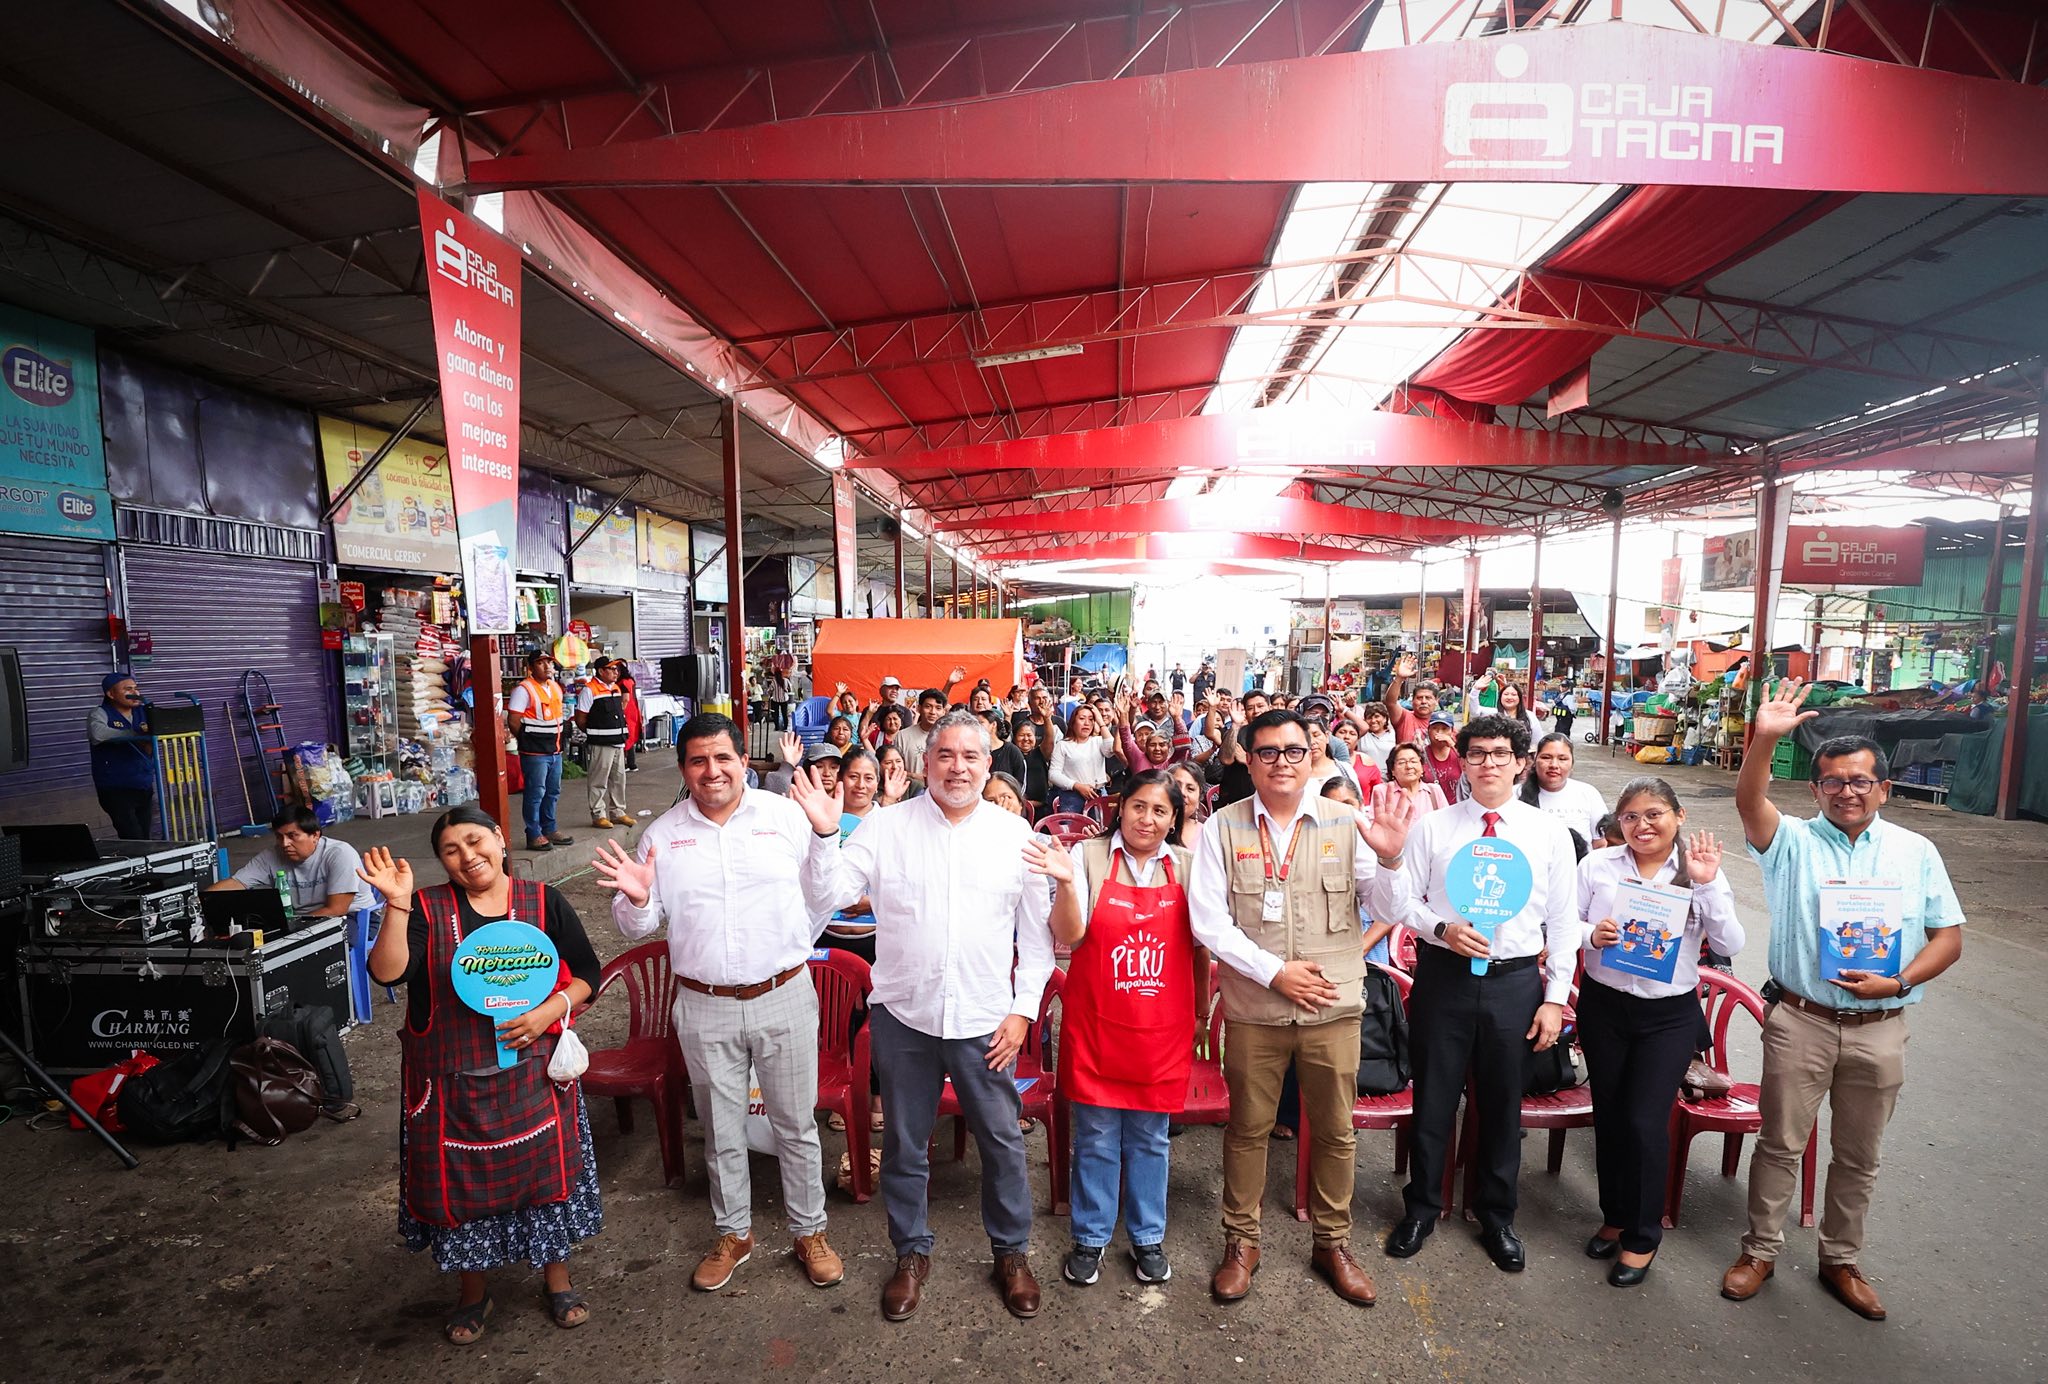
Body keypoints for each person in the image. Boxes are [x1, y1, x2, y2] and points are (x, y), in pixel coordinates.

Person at [792, 710, 1057, 1322]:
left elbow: (1038, 944)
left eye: (971, 756)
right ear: (923, 763)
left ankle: (1011, 1253)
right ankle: (910, 1252)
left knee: (1001, 1142)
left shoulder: (1017, 838)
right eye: (945, 756)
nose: (958, 767)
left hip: (986, 1022)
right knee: (907, 1145)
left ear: (989, 765)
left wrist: (1022, 1015)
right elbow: (828, 895)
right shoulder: (886, 828)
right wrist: (826, 836)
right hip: (903, 1018)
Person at [1720, 680, 1964, 1321]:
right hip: (1801, 1018)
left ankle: (1840, 1259)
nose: (1846, 791)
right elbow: (1750, 802)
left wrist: (1901, 981)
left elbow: (1949, 937)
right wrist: (1765, 738)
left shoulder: (1916, 852)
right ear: (1816, 789)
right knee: (1780, 1143)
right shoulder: (1792, 843)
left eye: (1859, 781)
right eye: (1833, 781)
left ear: (1883, 788)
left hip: (1881, 1024)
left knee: (1859, 1154)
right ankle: (1760, 1250)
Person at [595, 712, 846, 1295]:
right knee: (720, 1128)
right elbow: (639, 923)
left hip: (783, 994)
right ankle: (734, 1232)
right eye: (699, 760)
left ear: (743, 761)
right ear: (684, 768)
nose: (713, 771)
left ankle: (810, 1231)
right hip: (703, 1004)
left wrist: (828, 836)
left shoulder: (786, 816)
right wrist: (635, 900)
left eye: (723, 757)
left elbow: (826, 894)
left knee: (795, 1124)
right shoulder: (661, 835)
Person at [360, 806, 603, 1344]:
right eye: (452, 850)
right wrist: (396, 907)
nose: (468, 857)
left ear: (498, 838)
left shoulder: (543, 901)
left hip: (533, 1078)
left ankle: (556, 1281)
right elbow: (388, 972)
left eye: (475, 841)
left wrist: (549, 1009)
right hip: (451, 1085)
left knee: (545, 1182)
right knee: (465, 1194)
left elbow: (589, 972)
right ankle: (474, 1294)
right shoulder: (425, 907)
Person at [1368, 713, 1578, 1272]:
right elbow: (1401, 904)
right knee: (1434, 1097)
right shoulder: (1434, 828)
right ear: (1463, 762)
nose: (1489, 763)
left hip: (1514, 984)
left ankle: (1497, 1215)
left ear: (1520, 762)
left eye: (1500, 754)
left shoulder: (1548, 834)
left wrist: (1555, 998)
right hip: (1446, 976)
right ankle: (1422, 1208)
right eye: (1478, 754)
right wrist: (1441, 929)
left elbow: (1563, 922)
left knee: (1502, 1104)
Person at [1191, 709, 1386, 1308]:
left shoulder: (1346, 821)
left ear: (1313, 756)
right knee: (1247, 1129)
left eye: (1293, 751)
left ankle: (1332, 1243)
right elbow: (1208, 920)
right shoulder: (1220, 829)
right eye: (1268, 752)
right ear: (1248, 760)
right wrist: (1276, 973)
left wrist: (1396, 859)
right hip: (1255, 1007)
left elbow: (1384, 902)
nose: (1282, 762)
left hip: (1333, 1005)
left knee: (1334, 1130)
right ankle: (1241, 1241)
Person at [1035, 769, 1207, 1289]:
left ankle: (1148, 1236)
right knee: (1096, 1135)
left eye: (1159, 811)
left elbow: (1200, 948)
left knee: (1152, 1138)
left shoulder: (1189, 867)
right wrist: (1065, 884)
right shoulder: (1087, 857)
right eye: (1138, 807)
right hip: (1096, 1024)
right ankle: (1090, 1237)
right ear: (1121, 807)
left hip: (1161, 1028)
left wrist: (1200, 1013)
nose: (1147, 819)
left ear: (1174, 818)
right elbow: (1068, 934)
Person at [1576, 778, 1743, 1286]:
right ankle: (1617, 1214)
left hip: (1667, 1016)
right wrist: (1591, 933)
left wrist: (1709, 885)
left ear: (1679, 816)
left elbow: (1729, 940)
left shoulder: (1697, 872)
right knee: (1609, 1115)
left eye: (1654, 814)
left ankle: (1644, 1236)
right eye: (1630, 817)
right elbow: (1562, 922)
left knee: (1645, 1121)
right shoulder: (1597, 865)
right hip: (1604, 1007)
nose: (1642, 825)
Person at [207, 805, 374, 918]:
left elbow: (336, 910)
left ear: (315, 835)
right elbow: (237, 883)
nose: (285, 844)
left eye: (292, 836)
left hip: (353, 916)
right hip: (302, 918)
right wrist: (199, 901)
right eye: (280, 837)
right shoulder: (272, 855)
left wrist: (292, 929)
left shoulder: (339, 854)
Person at [508, 651, 574, 852]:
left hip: (554, 750)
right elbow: (513, 720)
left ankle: (550, 829)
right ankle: (534, 833)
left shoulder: (555, 687)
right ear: (530, 668)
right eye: (540, 663)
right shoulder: (524, 689)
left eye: (549, 662)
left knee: (553, 791)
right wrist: (527, 740)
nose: (547, 666)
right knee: (536, 792)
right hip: (535, 753)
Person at [87, 673, 154, 839]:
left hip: (143, 784)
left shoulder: (143, 712)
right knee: (133, 837)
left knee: (145, 836)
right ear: (111, 694)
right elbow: (97, 734)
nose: (135, 692)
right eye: (128, 689)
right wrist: (133, 733)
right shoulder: (100, 713)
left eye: (136, 688)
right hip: (116, 788)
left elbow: (150, 744)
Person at [1520, 733, 1606, 846]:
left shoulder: (1588, 794)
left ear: (1572, 764)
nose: (1554, 765)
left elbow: (1600, 844)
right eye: (1546, 757)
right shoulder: (1513, 795)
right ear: (1534, 761)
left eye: (1562, 759)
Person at [575, 659, 631, 829]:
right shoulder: (589, 690)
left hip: (617, 742)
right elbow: (580, 718)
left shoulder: (615, 688)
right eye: (612, 669)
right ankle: (598, 814)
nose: (616, 672)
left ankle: (618, 812)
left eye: (617, 669)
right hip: (601, 744)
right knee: (598, 780)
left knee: (619, 779)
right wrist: (595, 733)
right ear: (600, 671)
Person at [1049, 704, 1114, 814]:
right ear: (1073, 722)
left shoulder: (1098, 741)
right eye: (1082, 719)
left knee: (1101, 829)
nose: (1087, 723)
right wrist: (1076, 786)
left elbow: (1110, 749)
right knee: (1072, 829)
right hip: (1072, 797)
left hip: (1098, 793)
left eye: (1091, 719)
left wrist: (1101, 722)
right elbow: (1053, 774)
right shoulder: (1063, 745)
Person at [1381, 741, 1449, 815]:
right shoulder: (1382, 792)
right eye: (1402, 762)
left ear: (1422, 767)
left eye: (1413, 761)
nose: (1409, 766)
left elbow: (1446, 822)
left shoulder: (1434, 791)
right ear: (1392, 770)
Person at [1419, 711, 1465, 801]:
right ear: (1428, 730)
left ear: (1452, 731)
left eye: (1444, 729)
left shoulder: (1459, 752)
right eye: (1435, 728)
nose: (1439, 733)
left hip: (1457, 806)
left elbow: (1471, 767)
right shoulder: (1421, 754)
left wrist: (1453, 745)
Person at [1012, 720, 1052, 817]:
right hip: (1017, 808)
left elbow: (1050, 740)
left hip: (1041, 808)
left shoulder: (1041, 752)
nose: (1026, 739)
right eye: (1021, 735)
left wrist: (1047, 718)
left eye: (1029, 735)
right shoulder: (1011, 754)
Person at [618, 663, 645, 772]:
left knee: (626, 737)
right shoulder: (631, 680)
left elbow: (625, 699)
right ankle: (631, 763)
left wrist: (621, 710)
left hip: (627, 710)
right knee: (631, 736)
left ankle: (628, 764)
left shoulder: (622, 683)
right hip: (634, 709)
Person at [1353, 701, 1396, 769]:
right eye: (1369, 717)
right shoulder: (1361, 735)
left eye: (1377, 716)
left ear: (1385, 718)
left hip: (1390, 776)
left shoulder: (1394, 735)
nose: (1373, 720)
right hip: (1366, 777)